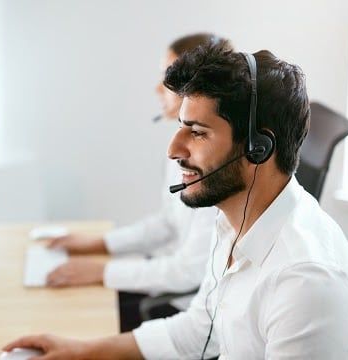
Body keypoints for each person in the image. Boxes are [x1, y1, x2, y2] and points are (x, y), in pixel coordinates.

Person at [3, 42, 348, 359]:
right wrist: (82, 351)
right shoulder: (233, 218)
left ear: (259, 148)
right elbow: (200, 328)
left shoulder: (307, 285)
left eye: (196, 132)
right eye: (180, 126)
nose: (172, 149)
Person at [44, 33, 232, 332]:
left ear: (196, 90)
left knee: (77, 321)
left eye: (167, 79)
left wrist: (102, 270)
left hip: (186, 310)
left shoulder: (215, 169)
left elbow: (188, 271)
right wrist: (101, 243)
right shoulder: (182, 151)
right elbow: (168, 222)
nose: (157, 88)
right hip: (168, 287)